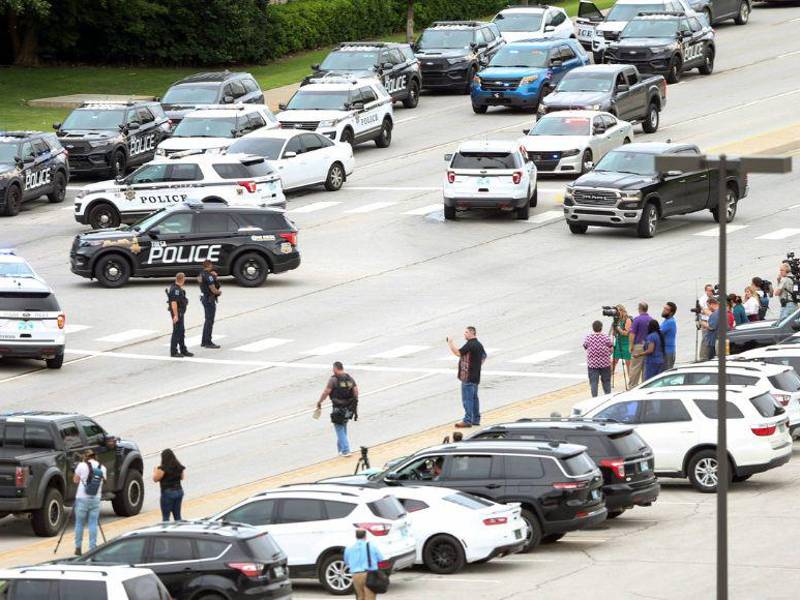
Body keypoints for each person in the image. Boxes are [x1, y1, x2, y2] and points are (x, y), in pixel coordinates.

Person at [447, 326, 487, 428]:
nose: (464, 334)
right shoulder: (479, 344)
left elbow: (458, 353)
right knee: (474, 398)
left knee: (467, 399)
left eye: (466, 332)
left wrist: (450, 342)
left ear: (472, 333)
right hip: (476, 376)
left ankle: (467, 420)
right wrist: (476, 365)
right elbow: (484, 356)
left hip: (467, 377)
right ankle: (476, 419)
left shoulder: (470, 345)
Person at [316, 362, 359, 456]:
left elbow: (326, 392)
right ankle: (340, 450)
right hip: (348, 407)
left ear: (336, 368)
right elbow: (355, 391)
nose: (332, 370)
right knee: (343, 426)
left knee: (339, 428)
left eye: (333, 368)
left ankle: (346, 450)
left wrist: (320, 401)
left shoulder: (333, 380)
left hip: (338, 408)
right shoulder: (350, 378)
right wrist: (354, 404)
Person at [73, 449, 106, 556]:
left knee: (79, 523)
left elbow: (75, 480)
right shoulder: (102, 467)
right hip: (96, 498)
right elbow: (104, 480)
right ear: (95, 456)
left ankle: (78, 547)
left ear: (86, 457)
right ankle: (92, 548)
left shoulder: (81, 465)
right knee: (93, 523)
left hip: (82, 498)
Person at [344, 529, 385, 600]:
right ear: (365, 536)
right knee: (370, 597)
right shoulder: (372, 546)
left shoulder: (349, 548)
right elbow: (380, 559)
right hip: (370, 575)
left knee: (360, 597)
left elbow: (347, 562)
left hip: (356, 575)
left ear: (355, 536)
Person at [153, 449, 185, 522]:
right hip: (179, 491)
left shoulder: (163, 468)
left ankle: (166, 531)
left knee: (166, 517)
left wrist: (155, 471)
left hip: (168, 493)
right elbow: (182, 477)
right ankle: (179, 530)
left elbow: (155, 479)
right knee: (177, 516)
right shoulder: (179, 466)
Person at [583, 320, 613, 397]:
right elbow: (611, 348)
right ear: (601, 328)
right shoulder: (606, 337)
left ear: (593, 328)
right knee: (606, 381)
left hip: (593, 364)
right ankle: (608, 396)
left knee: (594, 382)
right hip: (605, 363)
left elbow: (585, 346)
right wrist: (608, 354)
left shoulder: (589, 338)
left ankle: (594, 398)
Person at [167, 273, 193, 358]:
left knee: (181, 331)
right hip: (177, 313)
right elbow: (173, 303)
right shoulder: (176, 290)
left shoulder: (176, 287)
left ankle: (183, 350)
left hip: (180, 313)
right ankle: (173, 351)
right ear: (182, 279)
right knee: (177, 331)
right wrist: (175, 315)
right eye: (184, 278)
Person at [628, 303, 652, 387]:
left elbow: (632, 334)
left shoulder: (637, 319)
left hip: (638, 346)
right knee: (645, 369)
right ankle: (645, 386)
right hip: (649, 346)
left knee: (635, 368)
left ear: (640, 309)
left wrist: (631, 346)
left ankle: (632, 387)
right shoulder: (651, 319)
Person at [199, 260, 221, 349]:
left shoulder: (201, 274)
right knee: (210, 321)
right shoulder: (209, 276)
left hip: (204, 297)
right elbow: (213, 289)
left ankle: (204, 341)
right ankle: (208, 342)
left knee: (207, 320)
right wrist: (219, 292)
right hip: (209, 299)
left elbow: (199, 279)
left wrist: (213, 276)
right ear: (210, 265)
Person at [611, 305, 632, 388]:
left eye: (618, 311)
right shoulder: (617, 320)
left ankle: (631, 381)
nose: (617, 313)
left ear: (622, 311)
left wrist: (618, 328)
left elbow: (626, 333)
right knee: (614, 362)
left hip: (626, 343)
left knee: (628, 363)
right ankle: (609, 379)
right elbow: (613, 334)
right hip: (618, 342)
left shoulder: (628, 320)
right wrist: (614, 328)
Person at [661, 302, 678, 370]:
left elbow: (658, 333)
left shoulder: (670, 322)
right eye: (664, 308)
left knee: (666, 372)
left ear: (671, 312)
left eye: (666, 309)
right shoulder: (666, 321)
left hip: (668, 352)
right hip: (666, 351)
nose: (664, 310)